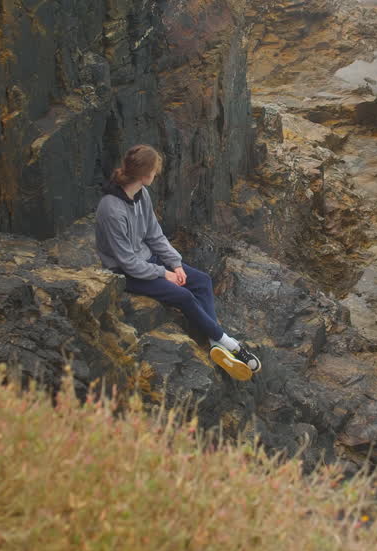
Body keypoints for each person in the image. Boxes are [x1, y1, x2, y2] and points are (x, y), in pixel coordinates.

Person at [94, 144, 261, 380]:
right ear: (144, 174)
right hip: (124, 272)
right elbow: (127, 262)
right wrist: (163, 274)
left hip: (146, 260)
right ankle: (230, 344)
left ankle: (215, 343)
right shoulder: (111, 209)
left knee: (201, 280)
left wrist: (176, 264)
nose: (157, 174)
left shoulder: (142, 194)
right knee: (183, 296)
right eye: (154, 170)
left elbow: (154, 235)